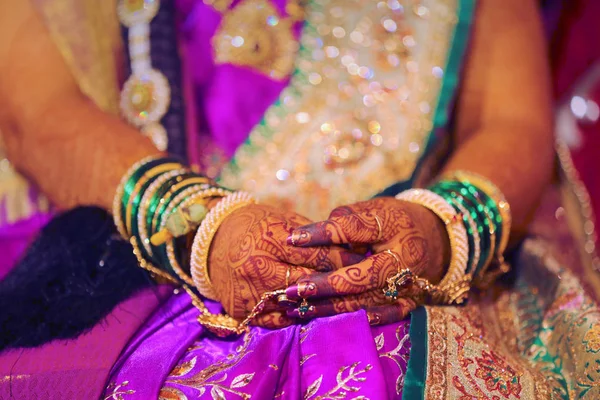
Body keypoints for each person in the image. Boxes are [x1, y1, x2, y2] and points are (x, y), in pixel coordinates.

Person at [0, 0, 598, 398]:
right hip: (123, 239)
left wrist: (439, 227)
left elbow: (510, 121)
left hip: (412, 266)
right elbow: (37, 114)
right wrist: (203, 229)